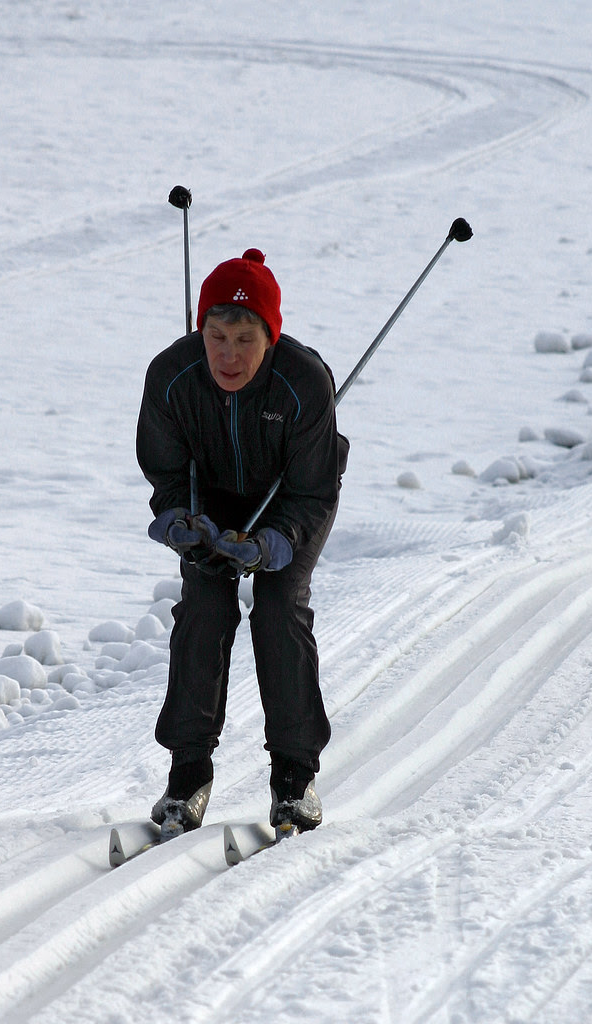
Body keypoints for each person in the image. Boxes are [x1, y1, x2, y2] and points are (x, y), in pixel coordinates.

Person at [136, 247, 348, 839]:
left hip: (289, 505)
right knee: (205, 607)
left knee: (279, 609)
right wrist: (183, 524)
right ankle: (187, 777)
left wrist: (269, 546)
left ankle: (294, 780)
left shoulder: (304, 383)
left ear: (271, 336)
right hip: (211, 508)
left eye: (246, 338)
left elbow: (312, 491)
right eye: (217, 335)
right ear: (201, 329)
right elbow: (166, 472)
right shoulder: (171, 377)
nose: (229, 354)